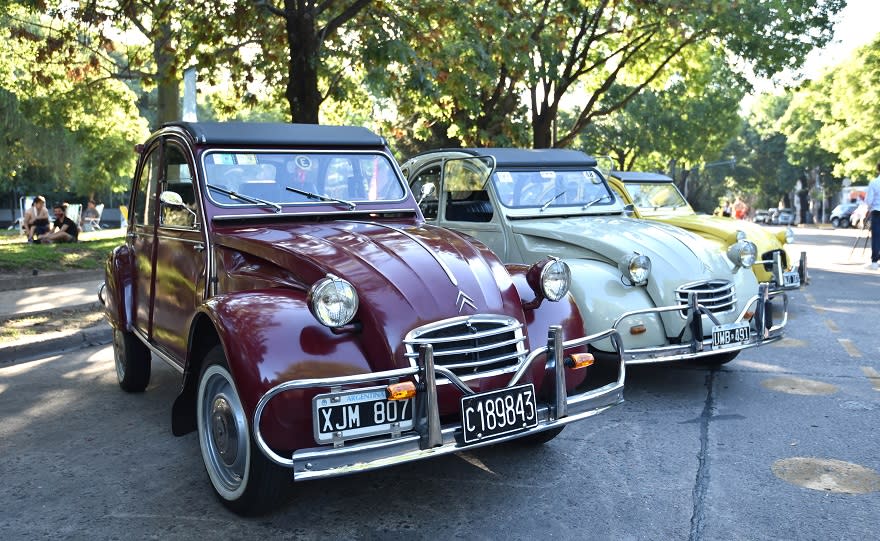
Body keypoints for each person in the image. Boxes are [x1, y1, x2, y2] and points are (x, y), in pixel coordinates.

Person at [865, 162, 880, 270]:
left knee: (876, 237)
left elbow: (869, 201)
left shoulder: (874, 183)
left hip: (877, 213)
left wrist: (868, 209)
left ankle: (874, 262)